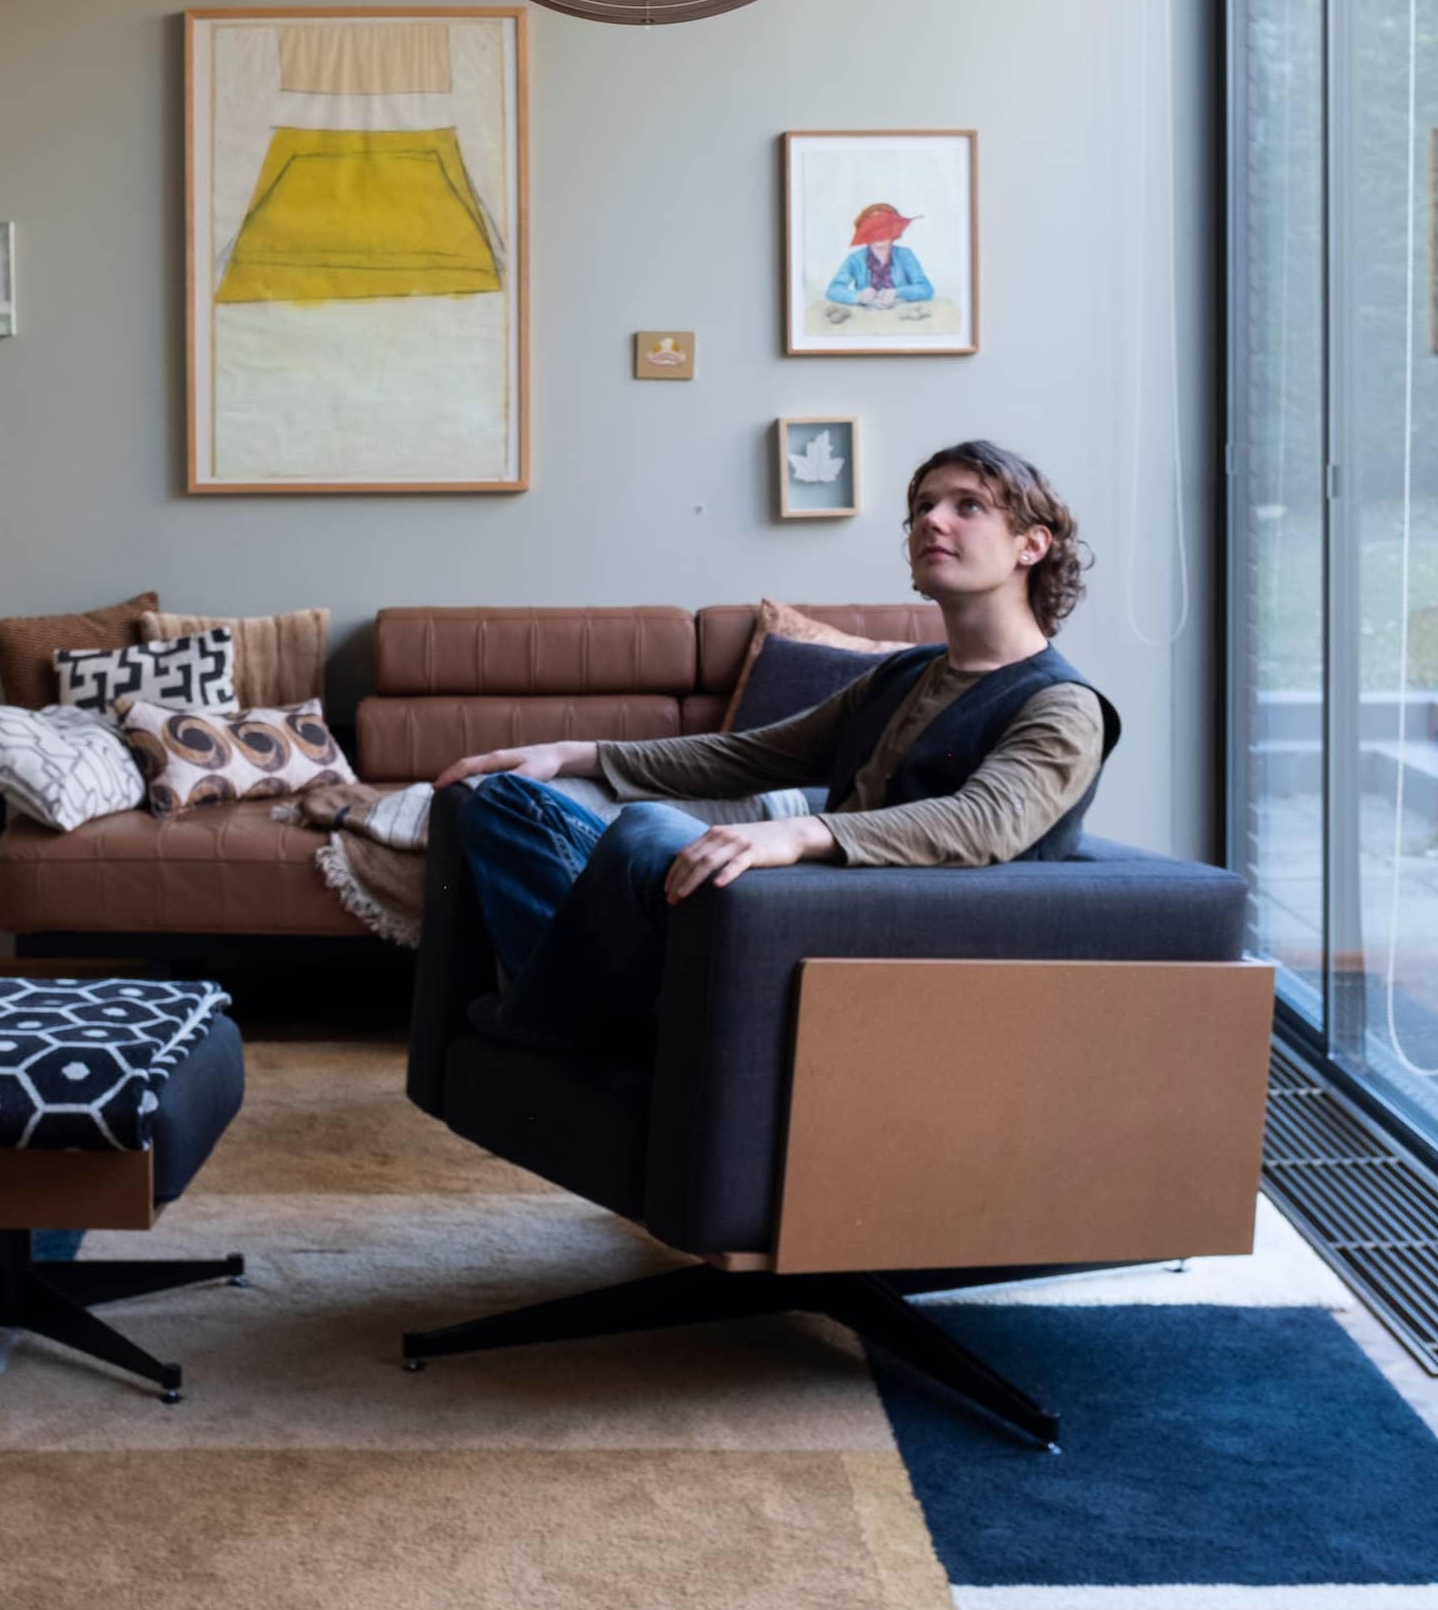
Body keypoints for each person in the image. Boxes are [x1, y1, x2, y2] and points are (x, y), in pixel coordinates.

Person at [435, 439, 1118, 1057]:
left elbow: (984, 823)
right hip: (811, 900)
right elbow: (750, 756)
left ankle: (559, 1017)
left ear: (1032, 545)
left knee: (650, 831)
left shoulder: (1061, 704)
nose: (932, 521)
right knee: (507, 804)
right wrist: (575, 753)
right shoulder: (906, 674)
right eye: (922, 507)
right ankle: (590, 1020)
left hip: (901, 926)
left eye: (967, 506)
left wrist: (795, 834)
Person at [825, 199, 934, 318]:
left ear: (894, 230)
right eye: (873, 229)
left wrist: (897, 292)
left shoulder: (905, 255)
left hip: (901, 317)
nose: (880, 234)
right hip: (866, 320)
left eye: (885, 227)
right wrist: (859, 296)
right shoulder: (854, 259)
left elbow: (926, 289)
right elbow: (833, 289)